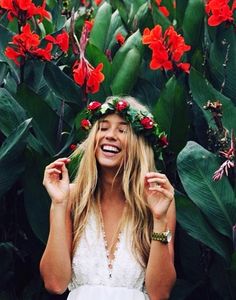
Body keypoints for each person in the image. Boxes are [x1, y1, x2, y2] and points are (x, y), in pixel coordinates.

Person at [40, 96, 176, 300]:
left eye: (122, 130)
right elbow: (55, 283)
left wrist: (159, 220)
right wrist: (59, 204)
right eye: (103, 128)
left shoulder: (158, 200)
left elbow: (160, 292)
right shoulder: (69, 197)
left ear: (139, 144)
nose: (110, 136)